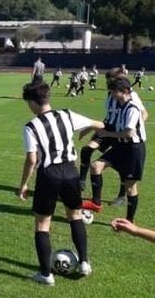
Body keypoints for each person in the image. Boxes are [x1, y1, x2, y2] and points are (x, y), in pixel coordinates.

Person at [18, 81, 104, 285]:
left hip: (49, 174)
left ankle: (46, 275)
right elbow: (99, 124)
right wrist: (86, 131)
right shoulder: (66, 115)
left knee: (42, 224)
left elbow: (32, 159)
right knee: (75, 216)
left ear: (32, 102)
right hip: (70, 171)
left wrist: (23, 184)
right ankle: (84, 263)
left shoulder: (31, 126)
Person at [78, 68, 148, 204]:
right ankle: (81, 182)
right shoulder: (112, 94)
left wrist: (132, 126)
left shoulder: (130, 97)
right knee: (87, 150)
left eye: (111, 83)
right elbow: (109, 116)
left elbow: (144, 114)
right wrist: (90, 128)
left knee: (122, 166)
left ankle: (122, 196)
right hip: (109, 127)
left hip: (120, 133)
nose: (109, 87)